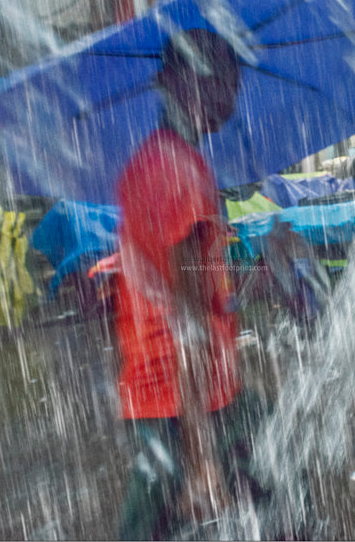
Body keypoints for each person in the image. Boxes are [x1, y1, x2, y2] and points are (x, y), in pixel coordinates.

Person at [113, 28, 268, 539]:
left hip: (196, 397)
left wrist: (251, 287)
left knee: (272, 493)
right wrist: (202, 464)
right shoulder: (170, 171)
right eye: (221, 79)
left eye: (236, 82)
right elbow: (185, 324)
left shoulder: (176, 161)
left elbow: (198, 295)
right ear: (178, 82)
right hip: (180, 407)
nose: (231, 97)